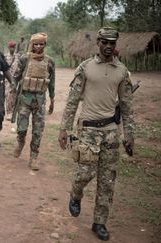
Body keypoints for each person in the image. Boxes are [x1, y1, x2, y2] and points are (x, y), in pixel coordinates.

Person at [58, 27, 134, 241]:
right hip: (88, 131)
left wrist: (129, 134)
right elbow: (72, 101)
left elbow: (127, 106)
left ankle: (99, 222)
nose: (108, 46)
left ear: (115, 45)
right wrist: (65, 128)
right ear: (98, 43)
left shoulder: (122, 71)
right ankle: (76, 193)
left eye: (112, 43)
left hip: (110, 132)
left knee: (107, 181)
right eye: (105, 42)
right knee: (85, 174)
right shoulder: (85, 67)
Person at [12, 32, 55, 171]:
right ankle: (20, 142)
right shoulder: (25, 59)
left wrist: (52, 98)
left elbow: (52, 82)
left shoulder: (49, 61)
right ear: (32, 44)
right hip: (25, 99)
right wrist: (13, 88)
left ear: (45, 45)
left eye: (41, 44)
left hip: (40, 101)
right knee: (22, 128)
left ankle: (33, 158)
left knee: (38, 131)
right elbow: (16, 76)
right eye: (35, 44)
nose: (38, 46)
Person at [5, 40, 19, 121]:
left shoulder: (18, 57)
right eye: (11, 47)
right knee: (8, 95)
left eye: (14, 47)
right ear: (8, 47)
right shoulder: (5, 56)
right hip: (7, 79)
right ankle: (8, 112)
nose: (12, 49)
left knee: (13, 95)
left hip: (15, 79)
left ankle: (11, 111)